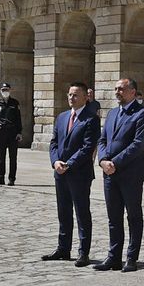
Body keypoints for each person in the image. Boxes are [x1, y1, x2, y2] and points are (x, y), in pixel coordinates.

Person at [96, 78, 144, 271]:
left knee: (133, 216)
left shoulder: (141, 114)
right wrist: (103, 160)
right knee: (113, 217)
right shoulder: (112, 113)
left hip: (130, 173)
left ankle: (131, 257)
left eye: (121, 89)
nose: (117, 92)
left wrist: (115, 162)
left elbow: (138, 144)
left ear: (132, 92)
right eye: (116, 89)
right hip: (109, 173)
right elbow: (102, 139)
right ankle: (113, 256)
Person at [41, 82, 100, 266]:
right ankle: (63, 248)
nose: (71, 98)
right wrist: (55, 161)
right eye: (69, 94)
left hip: (79, 173)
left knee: (82, 213)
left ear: (85, 97)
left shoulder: (91, 119)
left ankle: (84, 252)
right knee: (63, 212)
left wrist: (69, 164)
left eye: (75, 95)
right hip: (60, 172)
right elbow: (54, 143)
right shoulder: (62, 117)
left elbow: (87, 147)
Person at [0, 83, 26, 186]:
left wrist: (19, 132)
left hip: (13, 133)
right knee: (1, 157)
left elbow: (18, 119)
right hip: (2, 132)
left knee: (13, 157)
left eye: (7, 89)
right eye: (3, 89)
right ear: (0, 90)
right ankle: (0, 177)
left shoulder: (14, 103)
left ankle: (12, 178)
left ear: (10, 90)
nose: (5, 91)